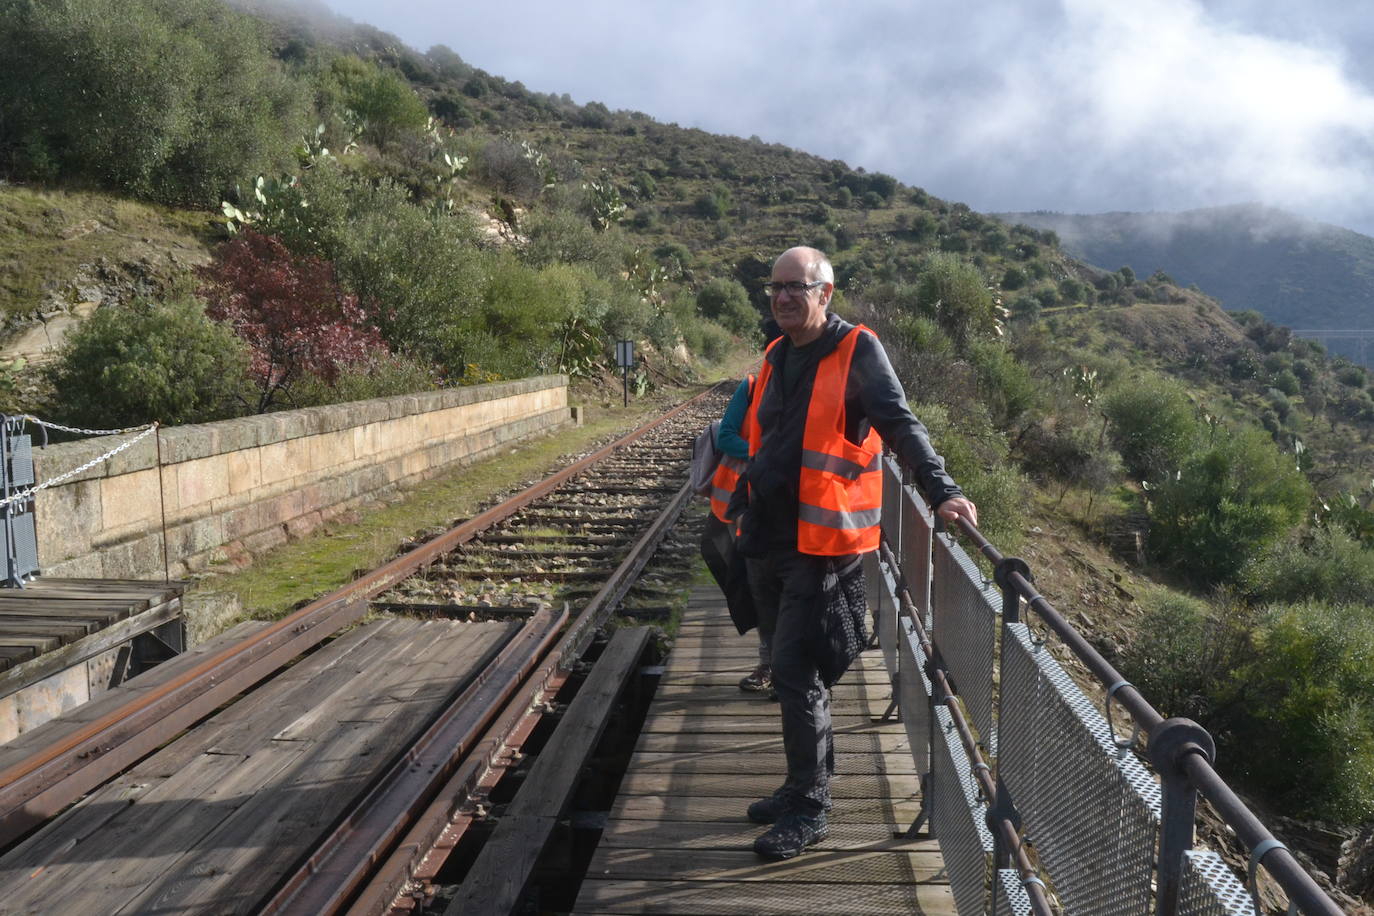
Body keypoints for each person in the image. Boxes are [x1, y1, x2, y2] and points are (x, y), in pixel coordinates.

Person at [729, 246, 978, 860]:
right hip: (774, 535)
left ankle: (810, 807)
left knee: (796, 668)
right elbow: (769, 440)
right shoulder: (775, 353)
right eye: (777, 287)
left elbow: (900, 422)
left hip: (825, 540)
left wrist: (940, 488)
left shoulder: (856, 349)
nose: (785, 297)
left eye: (798, 286)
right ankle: (797, 787)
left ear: (826, 292)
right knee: (794, 669)